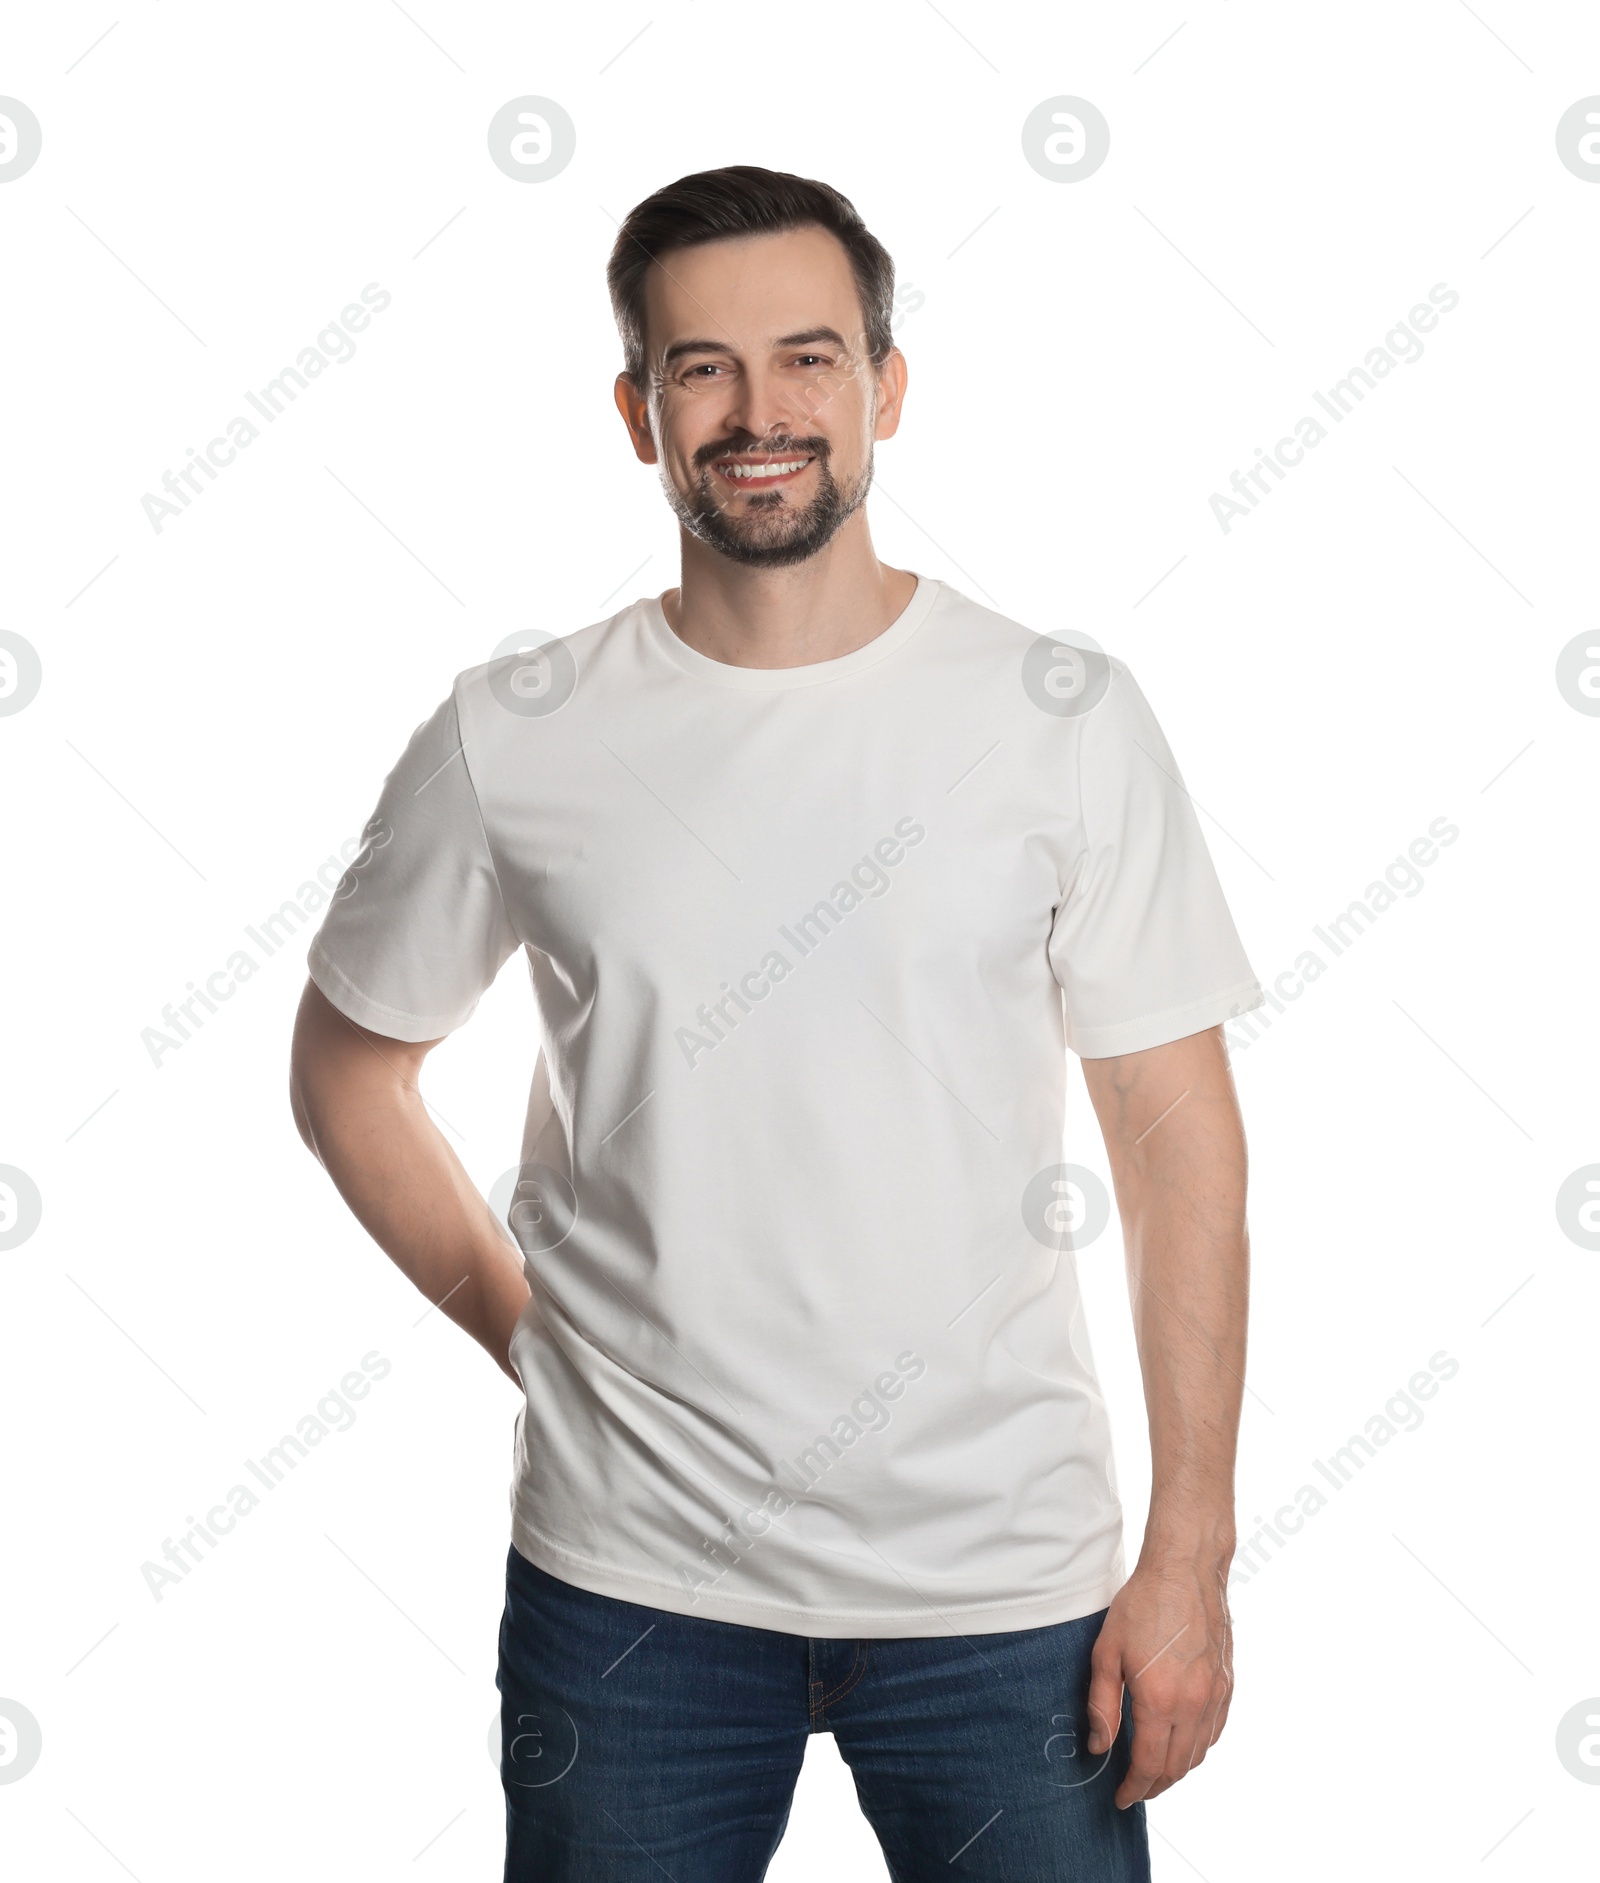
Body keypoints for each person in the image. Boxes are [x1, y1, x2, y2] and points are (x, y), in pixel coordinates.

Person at [289, 164, 1263, 1883]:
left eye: (810, 360)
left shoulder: (1059, 718)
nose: (760, 413)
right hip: (633, 1597)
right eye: (702, 367)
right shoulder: (515, 732)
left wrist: (1190, 1551)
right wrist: (536, 1343)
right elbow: (350, 1073)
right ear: (638, 412)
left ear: (886, 389)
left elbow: (1177, 1144)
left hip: (1005, 1590)